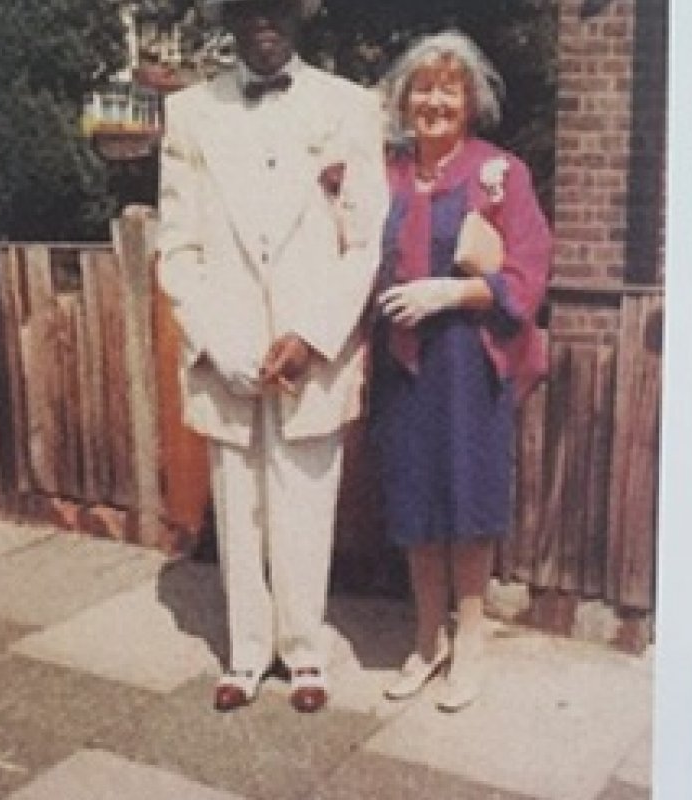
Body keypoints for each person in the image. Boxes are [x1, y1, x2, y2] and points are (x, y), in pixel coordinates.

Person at [156, 0, 388, 713]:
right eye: (251, 8)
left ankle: (305, 654)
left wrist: (315, 336)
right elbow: (177, 246)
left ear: (299, 18)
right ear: (231, 18)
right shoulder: (191, 112)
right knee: (239, 504)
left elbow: (364, 240)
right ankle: (247, 652)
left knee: (305, 501)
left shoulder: (350, 106)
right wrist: (214, 339)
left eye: (278, 8)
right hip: (228, 346)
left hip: (309, 351)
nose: (265, 21)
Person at [371, 31, 552, 711]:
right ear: (404, 99)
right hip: (401, 365)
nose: (435, 99)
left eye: (450, 88)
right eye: (423, 87)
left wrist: (451, 293)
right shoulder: (382, 174)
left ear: (471, 102)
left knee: (467, 504)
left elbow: (529, 272)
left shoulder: (498, 173)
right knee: (415, 502)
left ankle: (469, 641)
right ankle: (427, 640)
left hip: (467, 361)